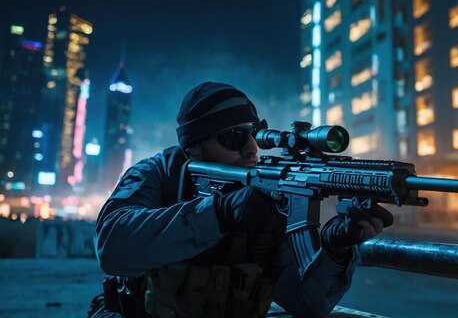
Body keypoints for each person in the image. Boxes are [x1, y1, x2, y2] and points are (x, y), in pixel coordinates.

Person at [87, 82, 393, 317]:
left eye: (253, 135)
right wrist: (219, 213)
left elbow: (307, 304)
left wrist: (335, 251)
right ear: (194, 146)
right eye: (233, 138)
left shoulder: (265, 194)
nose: (250, 149)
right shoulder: (160, 175)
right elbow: (112, 249)